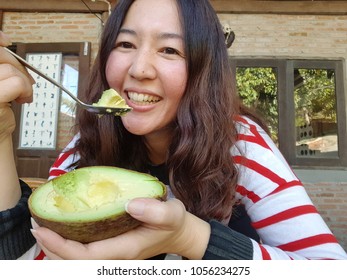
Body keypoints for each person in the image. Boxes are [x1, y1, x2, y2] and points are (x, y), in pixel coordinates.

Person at [1, 0, 346, 260]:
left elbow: (328, 267)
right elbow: (29, 259)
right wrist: (2, 137)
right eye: (125, 44)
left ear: (201, 71)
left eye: (169, 49)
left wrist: (190, 238)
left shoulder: (240, 143)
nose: (139, 68)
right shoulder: (86, 143)